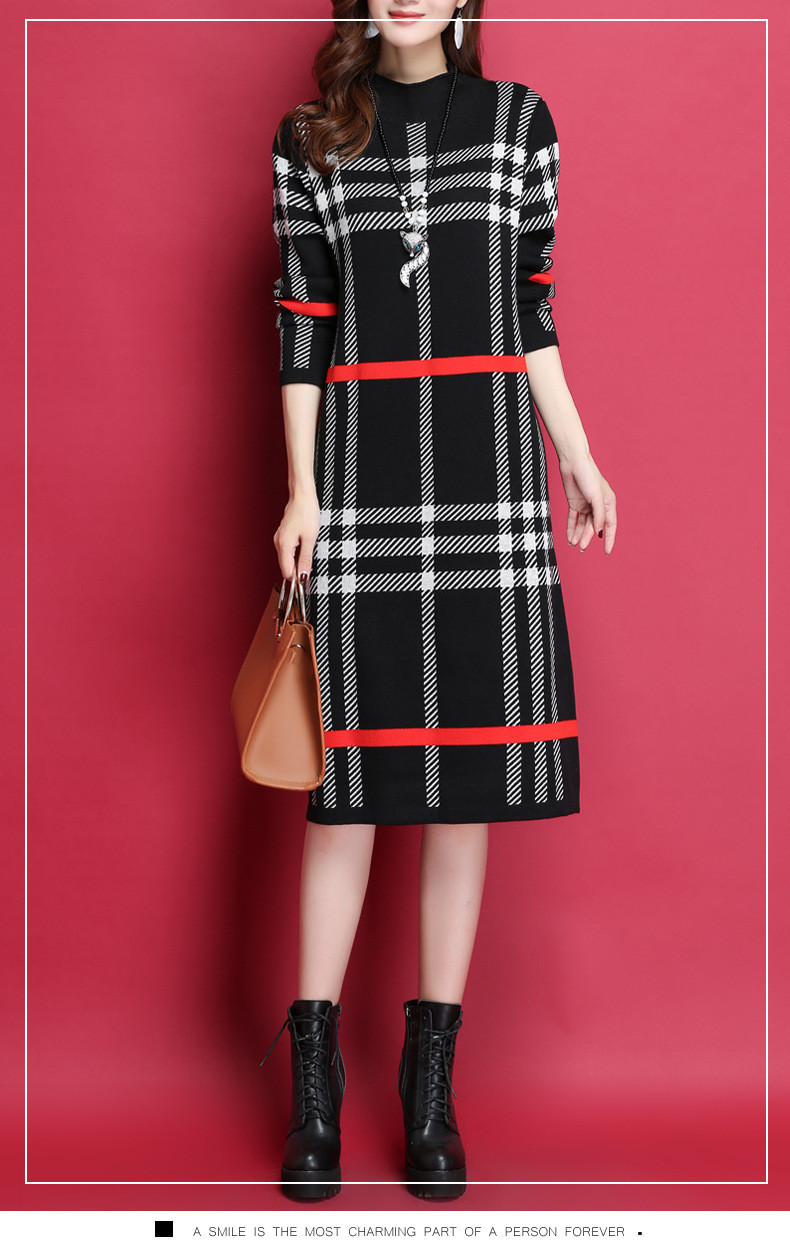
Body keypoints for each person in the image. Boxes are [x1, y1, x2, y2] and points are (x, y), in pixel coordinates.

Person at [259, 0, 618, 1204]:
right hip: (359, 480)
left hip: (487, 475)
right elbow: (302, 321)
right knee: (345, 792)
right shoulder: (311, 135)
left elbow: (531, 307)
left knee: (462, 791)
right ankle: (314, 1086)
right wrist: (300, 491)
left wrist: (576, 455)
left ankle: (429, 1090)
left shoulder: (518, 123)